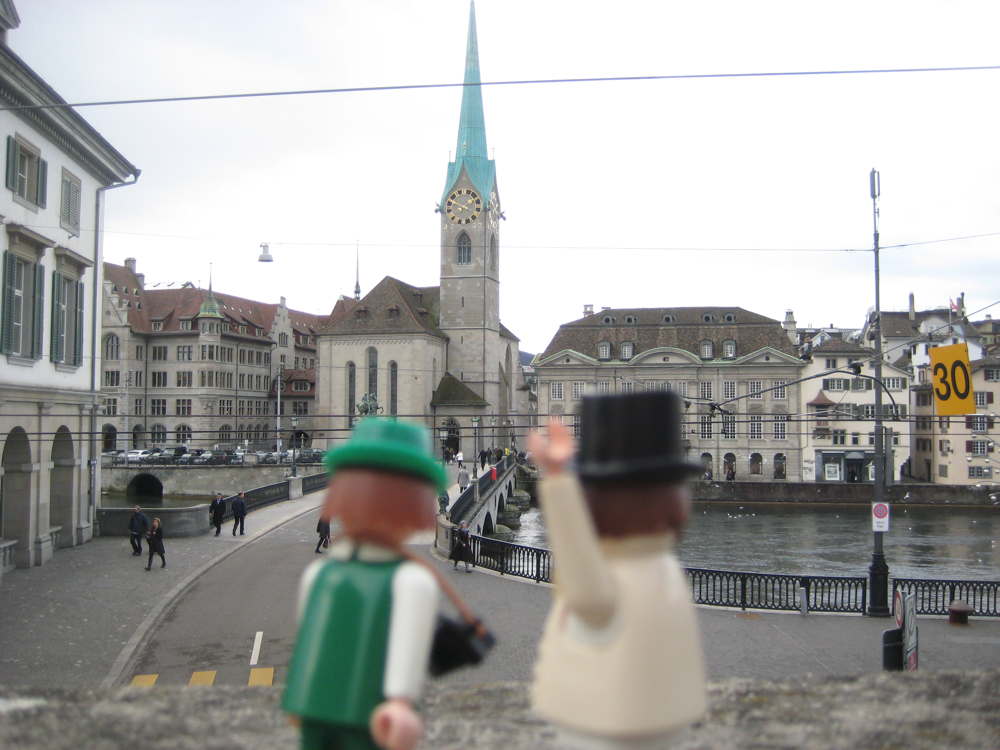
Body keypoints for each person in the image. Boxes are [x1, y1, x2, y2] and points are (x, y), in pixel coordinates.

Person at [283, 418, 487, 750]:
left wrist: (300, 694)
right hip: (363, 709)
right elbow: (406, 650)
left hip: (331, 706)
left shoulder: (323, 573)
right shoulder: (410, 579)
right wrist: (401, 701)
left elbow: (309, 636)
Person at [528, 392, 707, 748]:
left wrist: (557, 482)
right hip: (667, 717)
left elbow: (583, 588)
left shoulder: (618, 575)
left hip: (604, 721)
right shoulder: (664, 569)